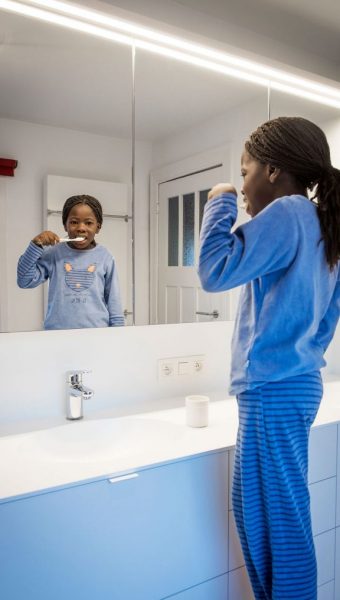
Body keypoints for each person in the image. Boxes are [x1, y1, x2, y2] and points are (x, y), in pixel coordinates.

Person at [198, 116, 340, 600]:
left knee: (278, 523)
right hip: (293, 384)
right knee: (261, 512)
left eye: (244, 172)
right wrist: (296, 359)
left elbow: (215, 271)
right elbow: (326, 321)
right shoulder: (323, 221)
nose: (240, 186)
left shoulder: (290, 212)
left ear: (273, 170)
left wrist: (217, 199)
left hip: (274, 389)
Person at [17, 194, 125, 330]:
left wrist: (120, 334)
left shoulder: (105, 257)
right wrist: (35, 245)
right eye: (74, 222)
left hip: (97, 334)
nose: (81, 227)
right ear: (65, 225)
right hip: (57, 334)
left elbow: (113, 300)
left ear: (98, 227)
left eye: (88, 223)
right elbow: (24, 281)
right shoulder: (54, 253)